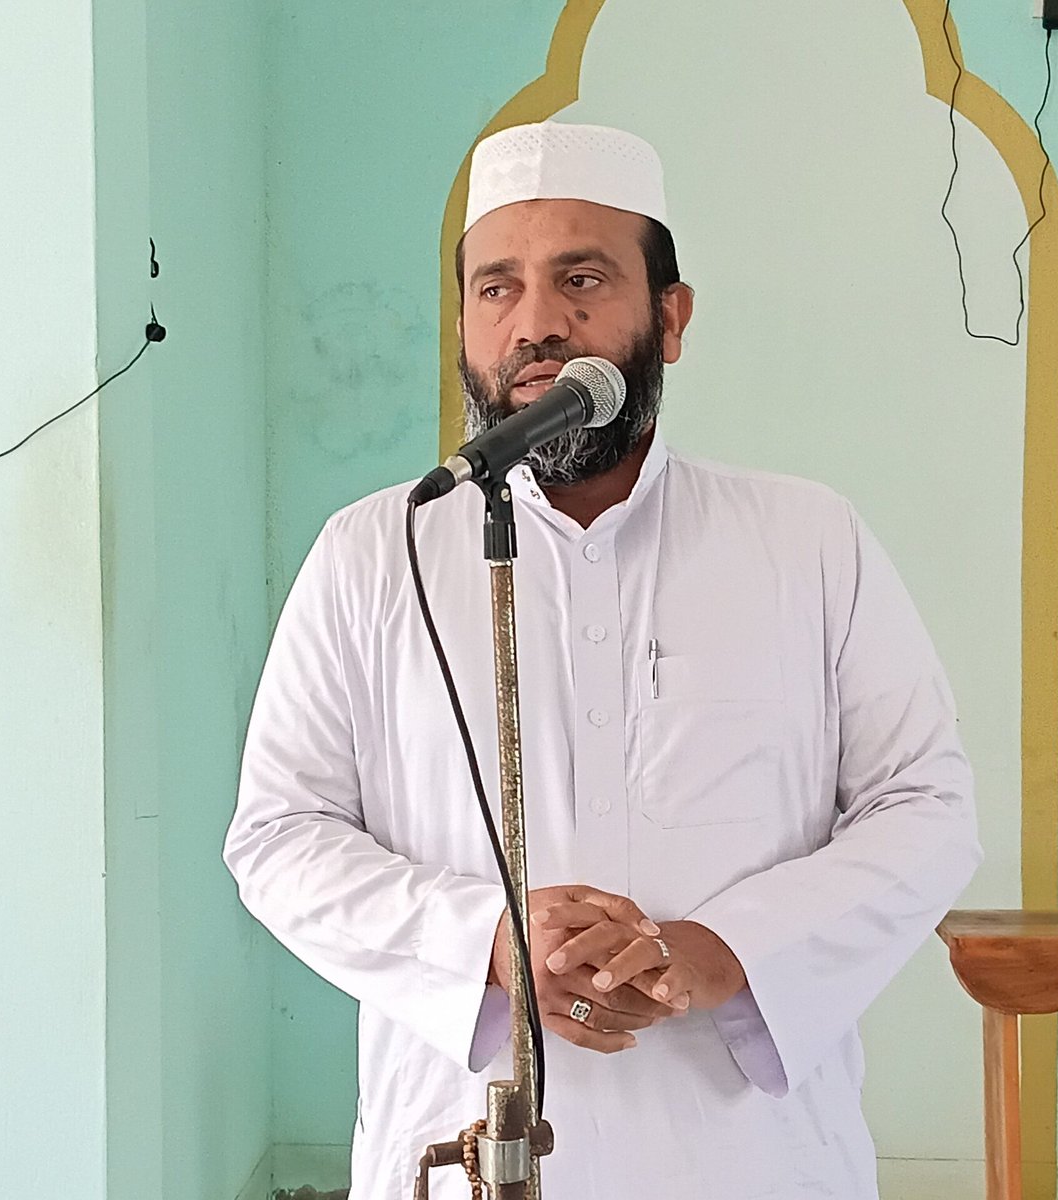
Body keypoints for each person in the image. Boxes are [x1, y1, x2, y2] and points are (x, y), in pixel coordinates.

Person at [225, 121, 982, 1200]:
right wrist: (490, 943)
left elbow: (926, 807)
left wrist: (725, 950)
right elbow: (278, 837)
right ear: (463, 324)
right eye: (496, 288)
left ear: (669, 319)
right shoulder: (373, 551)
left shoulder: (807, 540)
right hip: (459, 1138)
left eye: (582, 280)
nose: (537, 322)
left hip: (751, 1162)